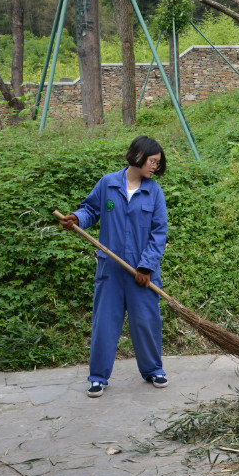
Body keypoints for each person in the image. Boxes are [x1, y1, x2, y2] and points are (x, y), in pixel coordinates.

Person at [60, 136, 169, 398]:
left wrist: (146, 266)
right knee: (105, 323)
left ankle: (153, 369)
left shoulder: (154, 192)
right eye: (152, 161)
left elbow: (159, 232)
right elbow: (90, 210)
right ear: (139, 156)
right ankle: (98, 377)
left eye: (158, 163)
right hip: (110, 268)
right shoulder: (108, 184)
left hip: (142, 273)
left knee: (146, 321)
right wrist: (77, 218)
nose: (154, 167)